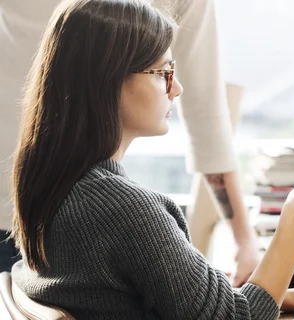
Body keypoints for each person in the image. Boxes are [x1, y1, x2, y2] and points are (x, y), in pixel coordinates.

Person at [8, 0, 294, 319]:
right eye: (162, 73)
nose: (176, 88)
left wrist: (287, 297)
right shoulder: (124, 211)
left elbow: (175, 301)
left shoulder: (53, 187)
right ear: (108, 80)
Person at [0, 0, 260, 286]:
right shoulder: (132, 213)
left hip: (34, 201)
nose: (175, 88)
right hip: (33, 212)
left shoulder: (121, 207)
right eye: (162, 73)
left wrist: (243, 240)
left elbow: (206, 114)